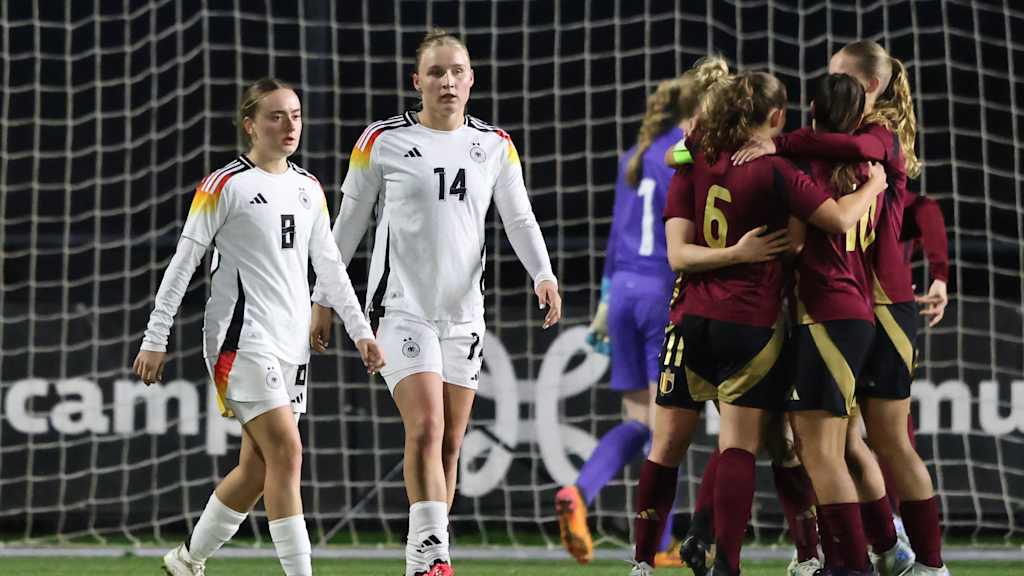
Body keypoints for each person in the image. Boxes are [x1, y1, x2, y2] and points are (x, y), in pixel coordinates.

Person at [309, 29, 561, 576]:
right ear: (416, 81)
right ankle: (434, 557)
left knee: (449, 443)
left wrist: (543, 274)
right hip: (400, 308)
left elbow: (519, 218)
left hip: (464, 314)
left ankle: (421, 559)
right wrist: (322, 298)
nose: (447, 81)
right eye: (436, 72)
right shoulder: (381, 140)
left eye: (457, 71)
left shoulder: (494, 144)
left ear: (471, 80)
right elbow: (347, 224)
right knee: (425, 427)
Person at [629, 70, 886, 576]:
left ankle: (643, 562)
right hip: (753, 321)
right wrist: (875, 183)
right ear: (776, 115)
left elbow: (678, 254)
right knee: (754, 446)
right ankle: (739, 561)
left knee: (667, 447)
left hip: (688, 320)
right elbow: (820, 229)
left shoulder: (694, 159)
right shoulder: (780, 171)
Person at [133, 78, 384, 576]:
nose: (289, 125)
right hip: (240, 340)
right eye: (275, 116)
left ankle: (187, 560)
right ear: (250, 125)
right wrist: (155, 337)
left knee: (257, 468)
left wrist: (361, 332)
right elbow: (183, 263)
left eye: (295, 115)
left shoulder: (309, 188)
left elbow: (330, 267)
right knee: (288, 453)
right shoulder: (225, 185)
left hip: (292, 343)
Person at [735, 40, 950, 576]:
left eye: (840, 76)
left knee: (877, 442)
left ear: (869, 87)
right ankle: (882, 550)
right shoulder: (847, 153)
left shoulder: (878, 140)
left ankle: (917, 563)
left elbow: (862, 180)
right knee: (846, 441)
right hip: (855, 304)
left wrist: (775, 143)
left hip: (878, 302)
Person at [557, 57, 730, 567]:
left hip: (623, 292)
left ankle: (581, 491)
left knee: (640, 419)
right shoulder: (695, 155)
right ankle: (655, 543)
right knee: (667, 430)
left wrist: (604, 304)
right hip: (662, 294)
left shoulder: (636, 155)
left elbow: (616, 235)